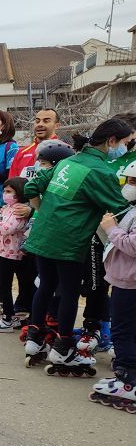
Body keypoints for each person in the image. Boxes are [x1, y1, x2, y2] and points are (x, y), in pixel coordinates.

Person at [22, 118, 132, 373]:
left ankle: (34, 339)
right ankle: (64, 348)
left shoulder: (69, 161)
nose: (125, 148)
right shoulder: (101, 171)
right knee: (70, 292)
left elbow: (31, 185)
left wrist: (44, 210)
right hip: (69, 240)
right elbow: (121, 208)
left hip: (43, 234)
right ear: (112, 141)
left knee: (47, 285)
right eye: (125, 143)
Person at [94, 158, 136, 410]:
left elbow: (132, 246)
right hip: (125, 278)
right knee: (130, 329)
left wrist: (111, 229)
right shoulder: (131, 208)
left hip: (129, 281)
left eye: (133, 182)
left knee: (122, 330)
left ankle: (127, 378)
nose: (128, 186)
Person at [0, 177, 33, 332]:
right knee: (2, 285)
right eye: (4, 191)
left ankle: (8, 319)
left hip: (13, 254)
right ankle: (13, 316)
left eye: (9, 191)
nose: (5, 194)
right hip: (1, 252)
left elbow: (6, 229)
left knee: (7, 286)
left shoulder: (19, 210)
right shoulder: (6, 208)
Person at [9, 108, 59, 179]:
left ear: (57, 125)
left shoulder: (66, 151)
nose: (40, 124)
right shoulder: (21, 152)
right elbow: (11, 184)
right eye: (37, 121)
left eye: (46, 121)